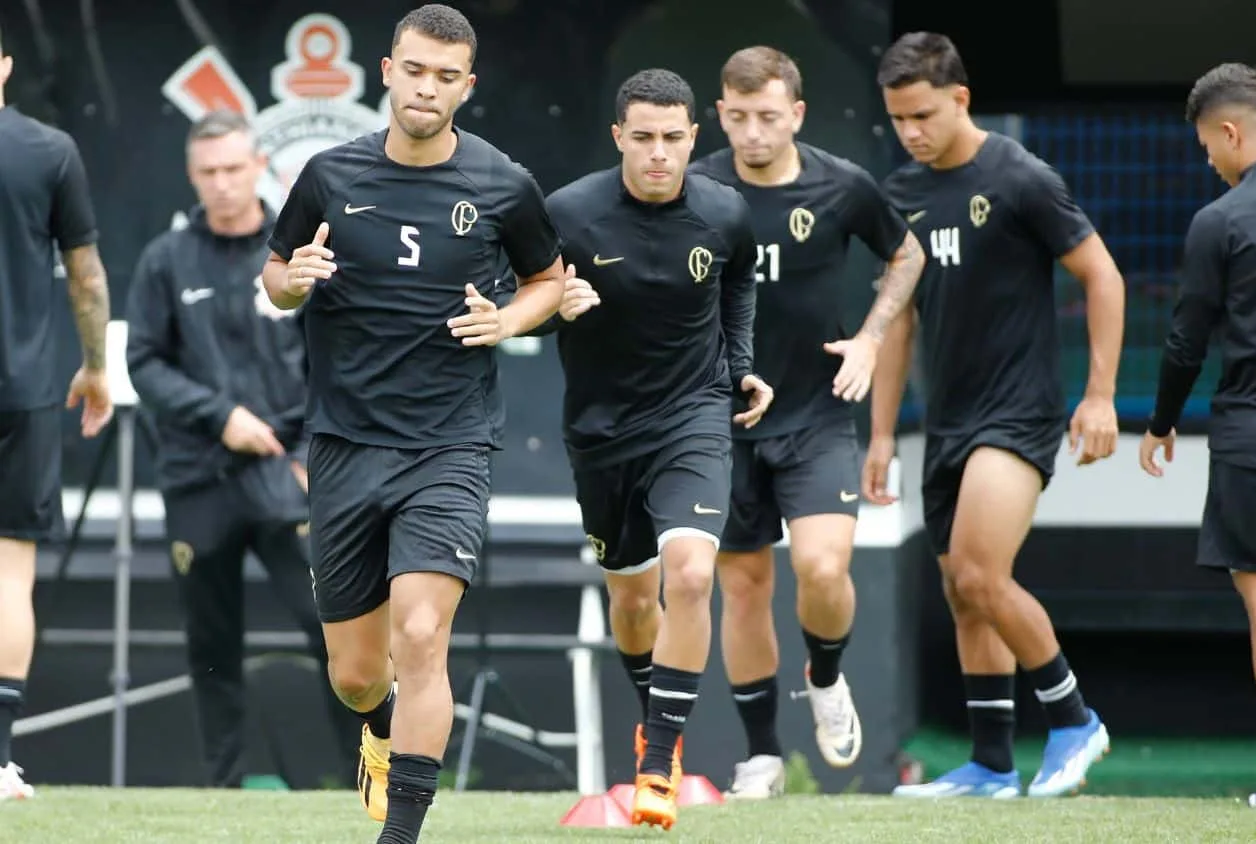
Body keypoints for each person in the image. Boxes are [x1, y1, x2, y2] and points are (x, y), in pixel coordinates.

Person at [261, 5, 566, 841]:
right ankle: (380, 723)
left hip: (450, 445)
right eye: (416, 71)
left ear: (467, 86)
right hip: (344, 444)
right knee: (357, 675)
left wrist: (508, 320)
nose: (428, 88)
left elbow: (547, 280)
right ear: (388, 72)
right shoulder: (328, 175)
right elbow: (275, 274)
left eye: (446, 77)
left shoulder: (503, 183)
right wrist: (294, 279)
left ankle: (400, 834)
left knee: (423, 632)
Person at [869, 32, 1126, 798]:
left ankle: (1075, 720)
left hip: (1017, 413)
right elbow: (897, 320)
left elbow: (1103, 276)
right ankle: (990, 764)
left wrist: (1101, 394)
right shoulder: (900, 193)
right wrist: (880, 435)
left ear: (960, 98)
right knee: (962, 590)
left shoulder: (1020, 176)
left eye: (922, 115)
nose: (910, 132)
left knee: (982, 574)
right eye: (897, 119)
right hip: (946, 420)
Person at [533, 67, 771, 830]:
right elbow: (519, 298)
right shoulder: (568, 212)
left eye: (673, 137)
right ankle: (652, 723)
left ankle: (659, 761)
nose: (659, 152)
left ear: (694, 137)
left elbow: (739, 283)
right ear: (618, 137)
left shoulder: (725, 212)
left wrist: (740, 366)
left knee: (692, 575)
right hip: (601, 433)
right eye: (643, 138)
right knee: (634, 601)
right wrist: (555, 307)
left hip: (693, 417)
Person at [689, 45, 925, 799]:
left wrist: (872, 337)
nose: (752, 132)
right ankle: (761, 755)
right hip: (721, 421)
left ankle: (825, 676)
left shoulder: (842, 185)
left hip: (817, 414)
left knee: (822, 569)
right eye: (737, 117)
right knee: (745, 587)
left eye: (766, 116)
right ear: (719, 114)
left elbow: (908, 255)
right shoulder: (696, 188)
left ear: (795, 114)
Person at [125, 109, 359, 789]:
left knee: (334, 629)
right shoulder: (166, 258)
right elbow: (144, 362)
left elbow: (337, 363)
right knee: (211, 644)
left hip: (287, 473)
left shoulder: (298, 254)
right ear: (191, 175)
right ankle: (223, 791)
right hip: (199, 476)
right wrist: (218, 415)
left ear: (260, 166)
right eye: (208, 172)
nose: (222, 183)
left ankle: (365, 780)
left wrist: (312, 455)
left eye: (233, 168)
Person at [1139, 62, 1256, 810]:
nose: (1209, 162)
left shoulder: (1219, 221)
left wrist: (1161, 422)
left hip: (1253, 434)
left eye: (1206, 147)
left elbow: (1186, 341)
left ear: (1229, 132)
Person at [0, 27, 113, 801]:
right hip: (25, 393)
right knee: (10, 573)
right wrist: (96, 368)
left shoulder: (52, 150)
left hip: (28, 393)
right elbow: (87, 276)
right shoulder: (48, 150)